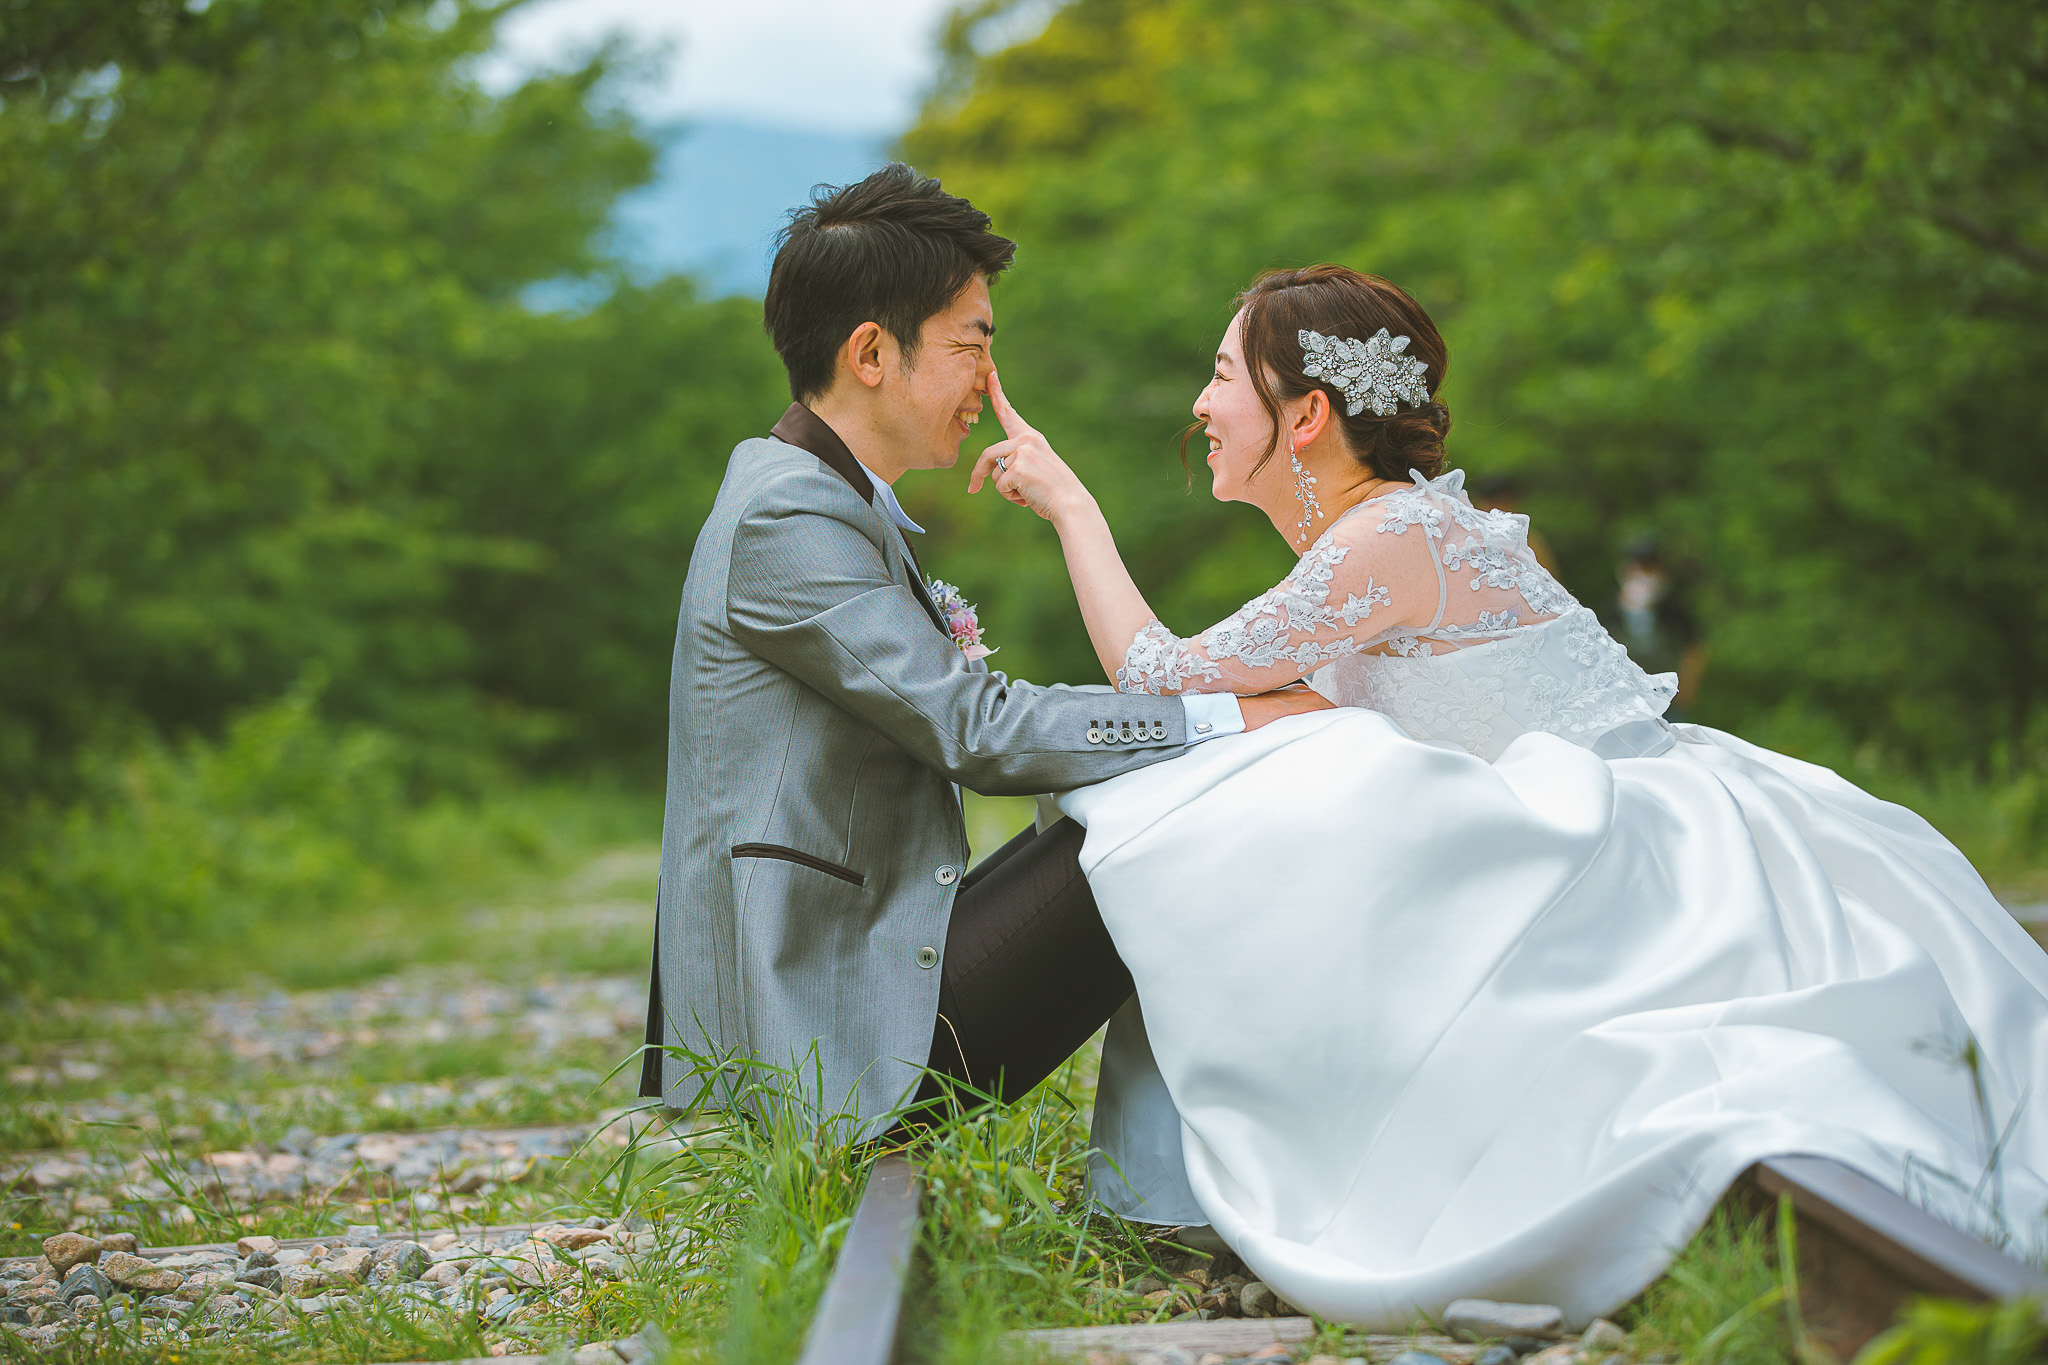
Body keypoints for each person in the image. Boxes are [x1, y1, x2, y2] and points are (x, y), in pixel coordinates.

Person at [971, 263, 2048, 1326]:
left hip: (1626, 842)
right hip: (1577, 826)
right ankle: (1180, 1192)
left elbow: (1158, 675)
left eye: (1219, 377)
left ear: (1303, 416)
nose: (1200, 406)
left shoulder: (1387, 535)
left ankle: (1177, 1193)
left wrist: (1069, 503)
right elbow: (1282, 712)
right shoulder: (1379, 535)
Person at [636, 166, 1329, 1137]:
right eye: (971, 346)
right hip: (821, 1024)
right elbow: (974, 726)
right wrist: (1235, 717)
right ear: (871, 353)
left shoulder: (827, 500)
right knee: (1179, 829)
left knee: (1158, 806)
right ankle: (1172, 1202)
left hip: (851, 967)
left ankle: (1179, 1192)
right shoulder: (786, 516)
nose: (989, 382)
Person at [1611, 536, 1706, 717]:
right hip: (1629, 697)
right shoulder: (1612, 607)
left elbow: (1694, 647)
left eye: (1649, 568)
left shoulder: (1674, 606)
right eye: (1638, 567)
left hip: (1668, 696)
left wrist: (1687, 686)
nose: (1643, 574)